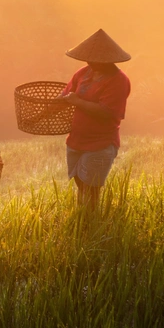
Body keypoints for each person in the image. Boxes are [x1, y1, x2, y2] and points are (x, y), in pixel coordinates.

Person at [58, 29, 131, 211]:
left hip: (100, 143)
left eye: (95, 60)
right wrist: (57, 102)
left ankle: (90, 222)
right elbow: (67, 94)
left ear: (108, 60)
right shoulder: (84, 73)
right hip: (76, 140)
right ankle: (83, 220)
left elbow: (107, 112)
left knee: (91, 189)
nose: (90, 62)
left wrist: (77, 101)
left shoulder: (118, 81)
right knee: (81, 185)